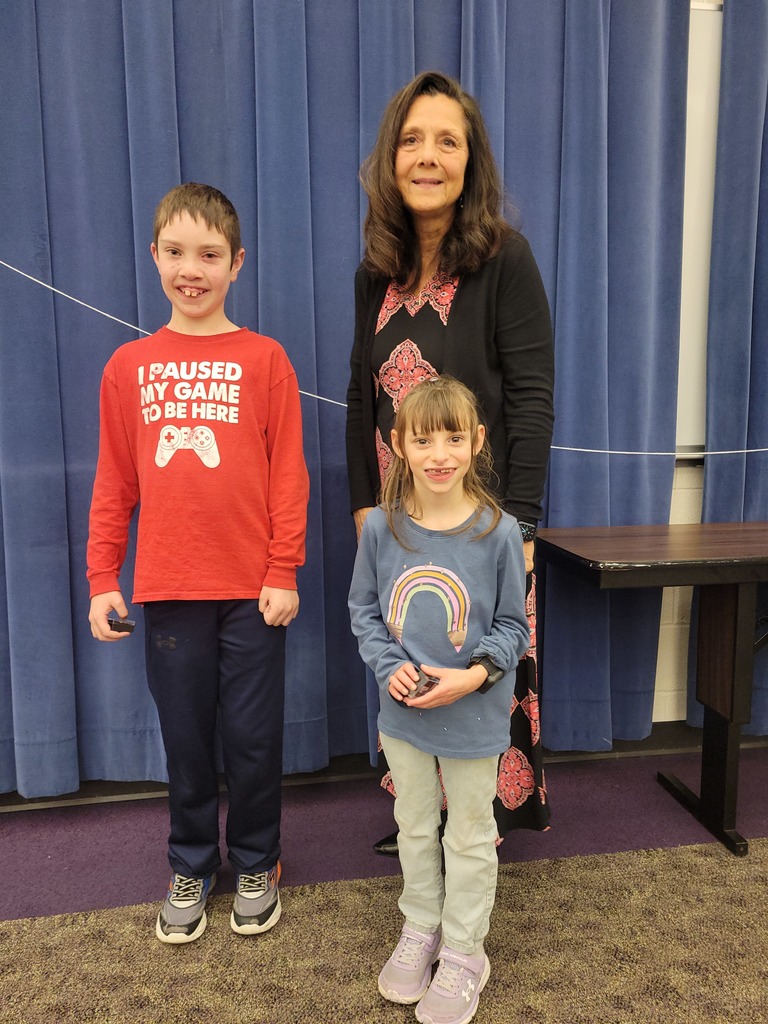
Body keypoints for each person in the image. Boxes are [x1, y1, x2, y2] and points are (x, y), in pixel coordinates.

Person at [87, 183, 309, 944]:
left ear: (236, 264)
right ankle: (190, 862)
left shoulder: (265, 360)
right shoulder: (129, 366)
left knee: (251, 739)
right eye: (177, 252)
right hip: (168, 592)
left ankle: (257, 859)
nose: (193, 268)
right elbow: (114, 480)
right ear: (154, 257)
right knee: (186, 739)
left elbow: (288, 475)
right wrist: (100, 580)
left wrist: (283, 570)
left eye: (209, 255)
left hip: (252, 593)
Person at [346, 71, 554, 854]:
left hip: (482, 525)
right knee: (410, 653)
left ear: (471, 162)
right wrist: (365, 507)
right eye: (411, 139)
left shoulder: (505, 260)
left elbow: (533, 399)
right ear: (390, 159)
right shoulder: (377, 271)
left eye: (447, 141)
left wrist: (524, 524)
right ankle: (419, 816)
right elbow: (358, 396)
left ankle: (477, 828)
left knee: (479, 655)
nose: (427, 155)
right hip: (400, 528)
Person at [349, 376, 530, 1024]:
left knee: (472, 837)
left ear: (477, 441)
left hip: (473, 716)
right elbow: (365, 612)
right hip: (403, 719)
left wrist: (475, 675)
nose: (439, 453)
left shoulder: (500, 532)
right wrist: (389, 665)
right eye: (423, 439)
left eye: (454, 437)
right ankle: (420, 927)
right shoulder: (381, 531)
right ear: (398, 444)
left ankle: (462, 953)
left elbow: (515, 626)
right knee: (416, 826)